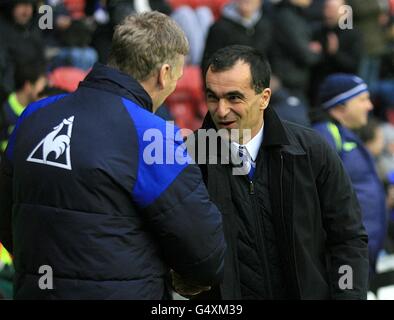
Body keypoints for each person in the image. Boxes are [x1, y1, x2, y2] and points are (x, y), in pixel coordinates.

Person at [0, 11, 225, 300]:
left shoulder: (34, 115)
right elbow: (205, 255)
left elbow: (8, 216)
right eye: (177, 77)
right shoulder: (153, 136)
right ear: (164, 73)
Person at [176, 45, 369, 299]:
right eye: (213, 97)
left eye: (234, 98)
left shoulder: (312, 151)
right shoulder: (186, 160)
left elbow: (348, 238)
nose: (221, 110)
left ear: (264, 97)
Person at [313, 73, 387, 273]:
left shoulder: (346, 135)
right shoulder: (325, 136)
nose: (370, 106)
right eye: (362, 99)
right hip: (344, 258)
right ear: (339, 108)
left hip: (360, 254)